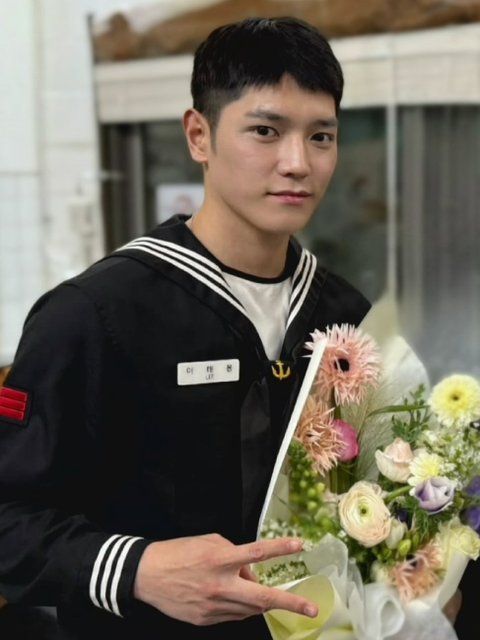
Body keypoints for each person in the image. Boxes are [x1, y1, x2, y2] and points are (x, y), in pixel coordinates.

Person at [0, 16, 391, 640]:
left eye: (321, 136)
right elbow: (11, 517)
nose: (298, 163)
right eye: (265, 131)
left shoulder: (344, 312)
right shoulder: (95, 315)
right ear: (198, 136)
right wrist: (137, 569)